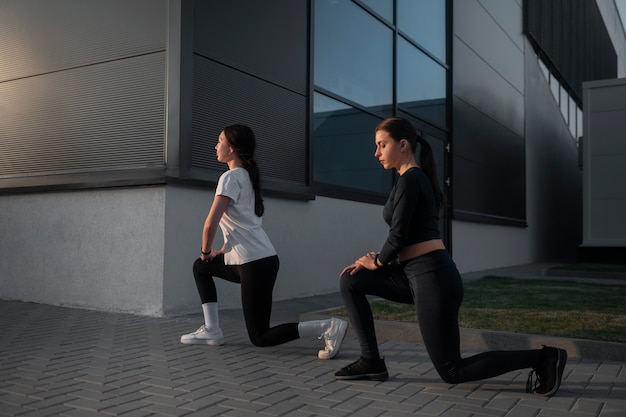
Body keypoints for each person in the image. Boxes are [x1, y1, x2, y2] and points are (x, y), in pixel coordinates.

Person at [334, 117, 567, 397]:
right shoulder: (405, 181)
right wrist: (373, 262)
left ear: (403, 145)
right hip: (415, 275)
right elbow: (406, 236)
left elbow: (398, 236)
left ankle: (543, 359)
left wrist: (379, 262)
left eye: (382, 145)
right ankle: (371, 361)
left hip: (433, 280)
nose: (376, 153)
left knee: (452, 371)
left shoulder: (412, 179)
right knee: (352, 280)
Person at [181, 124, 347, 360]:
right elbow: (243, 223)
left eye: (220, 141)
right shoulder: (248, 177)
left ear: (234, 149)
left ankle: (326, 327)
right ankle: (212, 330)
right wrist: (222, 251)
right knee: (201, 267)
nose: (215, 146)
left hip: (254, 264)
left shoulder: (229, 178)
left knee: (260, 337)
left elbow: (210, 224)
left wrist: (206, 250)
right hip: (259, 260)